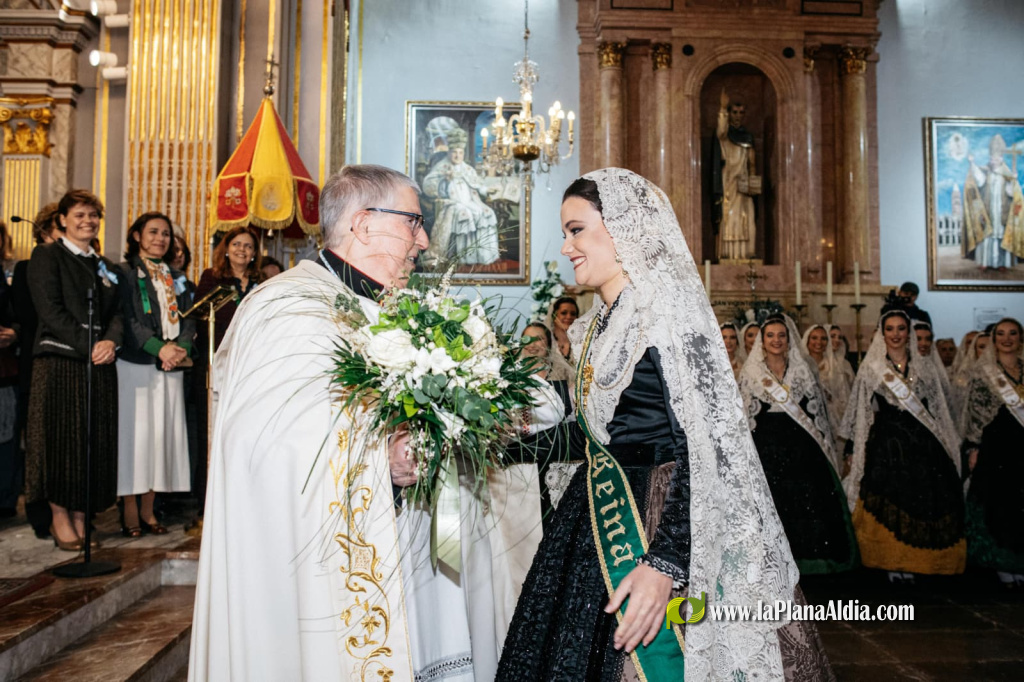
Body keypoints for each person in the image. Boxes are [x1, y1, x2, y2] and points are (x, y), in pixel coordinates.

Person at [499, 169, 831, 681]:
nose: (566, 247)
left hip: (659, 522)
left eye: (576, 230)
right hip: (596, 517)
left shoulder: (669, 321)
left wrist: (665, 564)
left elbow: (707, 448)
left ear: (625, 228)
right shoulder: (596, 326)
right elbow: (598, 438)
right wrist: (494, 443)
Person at [190, 164, 499, 681]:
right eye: (413, 222)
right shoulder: (289, 307)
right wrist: (382, 457)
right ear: (363, 224)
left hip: (401, 541)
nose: (422, 240)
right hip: (314, 568)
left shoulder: (383, 306)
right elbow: (262, 442)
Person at [26, 190, 123, 551]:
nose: (88, 221)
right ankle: (59, 516)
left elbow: (118, 314)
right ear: (63, 220)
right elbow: (49, 310)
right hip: (60, 362)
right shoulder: (47, 256)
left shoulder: (106, 267)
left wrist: (110, 342)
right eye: (80, 214)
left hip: (98, 363)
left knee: (90, 441)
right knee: (60, 440)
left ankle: (83, 514)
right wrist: (90, 345)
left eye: (94, 215)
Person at [839, 308, 965, 583]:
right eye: (890, 329)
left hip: (923, 445)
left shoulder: (925, 366)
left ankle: (918, 561)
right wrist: (853, 448)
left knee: (923, 500)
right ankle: (891, 561)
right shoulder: (871, 368)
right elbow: (861, 411)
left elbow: (937, 408)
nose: (895, 334)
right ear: (882, 334)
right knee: (889, 502)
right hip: (887, 445)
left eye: (901, 329)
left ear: (908, 333)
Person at [739, 315, 858, 575]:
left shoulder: (802, 371)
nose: (776, 340)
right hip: (766, 447)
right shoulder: (751, 372)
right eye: (770, 335)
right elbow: (746, 416)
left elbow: (816, 414)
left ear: (789, 339)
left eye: (781, 335)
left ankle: (810, 563)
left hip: (801, 447)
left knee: (808, 502)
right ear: (762, 340)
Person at [488, 322, 572, 648]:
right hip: (513, 478)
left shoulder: (559, 383)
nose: (532, 346)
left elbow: (554, 419)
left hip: (551, 478)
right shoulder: (508, 382)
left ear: (549, 344)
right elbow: (512, 425)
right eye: (526, 341)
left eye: (538, 340)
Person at [116, 212, 194, 537]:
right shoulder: (125, 274)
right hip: (137, 364)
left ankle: (150, 510)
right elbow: (126, 318)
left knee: (161, 438)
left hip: (171, 365)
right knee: (136, 438)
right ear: (136, 236)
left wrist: (181, 349)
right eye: (153, 232)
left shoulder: (177, 277)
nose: (160, 238)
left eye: (166, 234)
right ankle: (130, 511)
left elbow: (189, 318)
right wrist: (156, 348)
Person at [191, 226, 261, 515]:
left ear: (255, 253)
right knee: (211, 432)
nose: (242, 250)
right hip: (216, 363)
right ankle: (206, 503)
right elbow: (199, 317)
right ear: (226, 248)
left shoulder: (261, 282)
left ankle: (239, 498)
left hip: (250, 366)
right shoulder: (212, 278)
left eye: (248, 246)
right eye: (237, 244)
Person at [960, 318, 1024, 587]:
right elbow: (974, 413)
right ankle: (1002, 563)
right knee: (1001, 504)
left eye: (1013, 334)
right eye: (1001, 334)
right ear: (994, 338)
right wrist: (973, 448)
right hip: (997, 446)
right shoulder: (983, 371)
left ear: (1021, 338)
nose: (1007, 339)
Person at [10, 204, 58, 536]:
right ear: (43, 232)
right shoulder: (27, 268)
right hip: (36, 364)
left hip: (70, 367)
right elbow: (29, 315)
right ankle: (40, 513)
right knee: (38, 444)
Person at [420, 127, 500, 268]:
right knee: (466, 215)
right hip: (451, 202)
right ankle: (463, 258)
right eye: (454, 152)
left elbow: (476, 184)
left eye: (460, 153)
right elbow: (428, 186)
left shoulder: (467, 168)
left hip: (470, 201)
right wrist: (444, 180)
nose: (457, 156)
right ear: (449, 153)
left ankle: (483, 255)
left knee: (486, 212)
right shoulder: (442, 166)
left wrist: (487, 189)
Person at [962, 134, 1024, 270]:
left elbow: (1011, 193)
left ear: (1000, 159)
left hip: (1002, 212)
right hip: (988, 210)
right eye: (991, 158)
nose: (992, 160)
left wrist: (1013, 181)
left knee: (1000, 237)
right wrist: (972, 163)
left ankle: (1001, 264)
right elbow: (979, 180)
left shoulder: (1007, 175)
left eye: (995, 158)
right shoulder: (987, 172)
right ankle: (985, 262)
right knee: (987, 235)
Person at [713, 90, 758, 260]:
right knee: (728, 214)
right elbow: (720, 132)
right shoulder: (725, 136)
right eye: (734, 112)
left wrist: (752, 178)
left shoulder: (747, 137)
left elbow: (752, 162)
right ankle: (728, 254)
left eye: (741, 113)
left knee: (747, 215)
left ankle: (746, 252)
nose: (738, 116)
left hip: (743, 183)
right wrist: (722, 109)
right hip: (728, 180)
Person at [0, 221, 19, 518]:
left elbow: (18, 313)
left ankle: (4, 500)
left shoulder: (5, 275)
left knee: (6, 435)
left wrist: (14, 331)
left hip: (4, 367)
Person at [802, 323, 852, 434]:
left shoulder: (835, 366)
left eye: (823, 338)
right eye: (814, 338)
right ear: (807, 340)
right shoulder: (800, 365)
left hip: (832, 418)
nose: (818, 342)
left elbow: (844, 395)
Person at [546, 295, 579, 374]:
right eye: (564, 313)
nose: (569, 317)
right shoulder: (546, 341)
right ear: (554, 316)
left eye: (573, 314)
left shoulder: (581, 342)